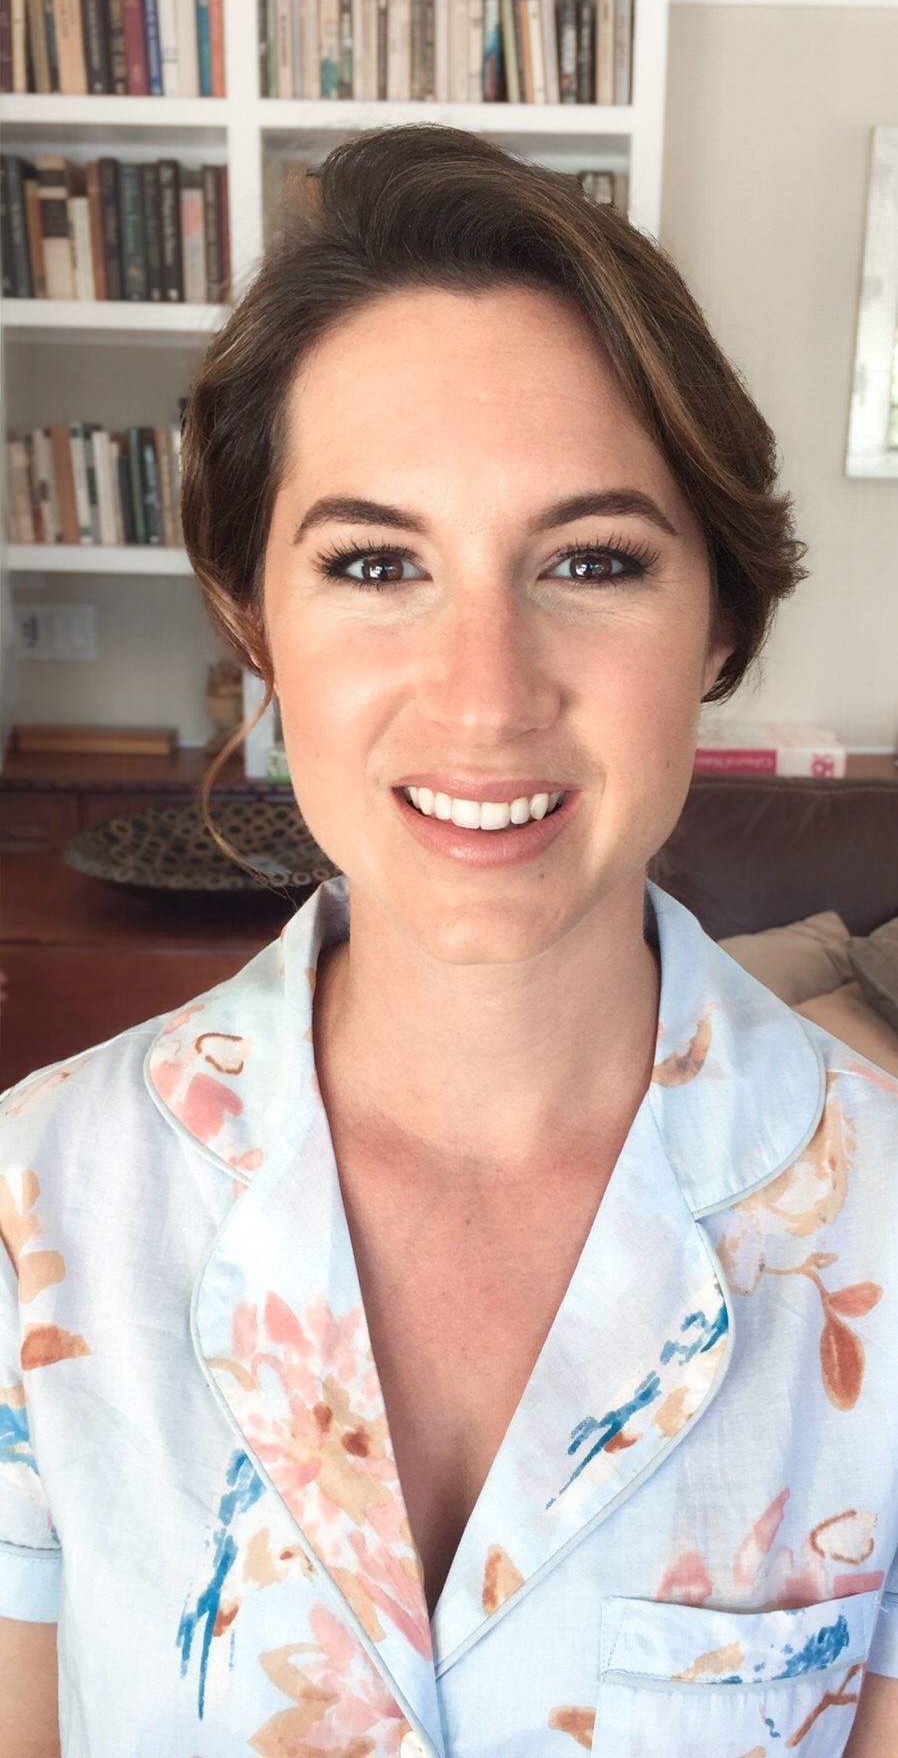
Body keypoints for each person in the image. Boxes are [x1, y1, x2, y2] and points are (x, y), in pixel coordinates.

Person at [1, 124, 897, 1758]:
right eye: (375, 563)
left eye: (589, 561)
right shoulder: (30, 1215)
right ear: (253, 618)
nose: (485, 695)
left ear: (718, 620)